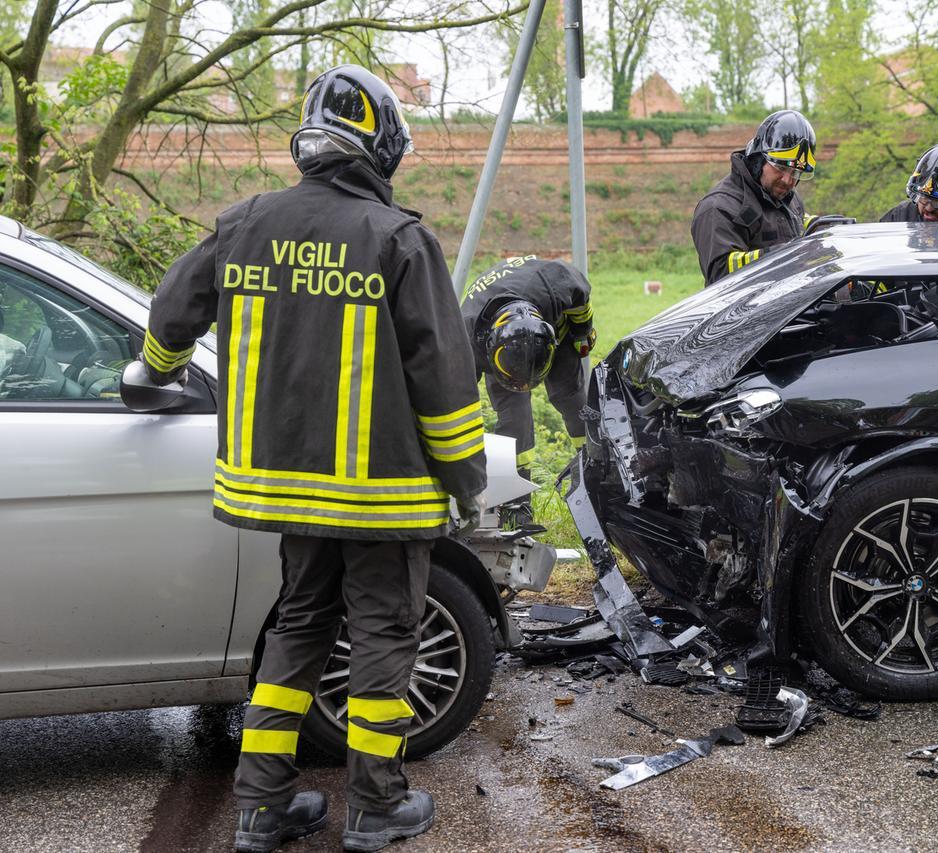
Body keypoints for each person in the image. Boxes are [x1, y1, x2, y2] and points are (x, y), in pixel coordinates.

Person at [135, 65, 486, 853]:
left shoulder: (244, 223)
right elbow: (444, 377)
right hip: (383, 499)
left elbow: (170, 312)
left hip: (285, 493)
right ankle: (374, 807)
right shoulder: (398, 239)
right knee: (383, 640)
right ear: (379, 145)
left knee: (297, 630)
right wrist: (468, 481)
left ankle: (261, 808)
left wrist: (156, 366)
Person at [461, 255, 594, 527]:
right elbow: (456, 397)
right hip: (501, 348)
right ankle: (515, 502)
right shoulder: (466, 337)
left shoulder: (556, 282)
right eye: (521, 381)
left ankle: (599, 471)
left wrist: (582, 332)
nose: (525, 387)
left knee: (571, 398)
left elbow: (581, 300)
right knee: (514, 419)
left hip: (550, 330)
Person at [691, 110, 816, 286]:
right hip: (749, 313)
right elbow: (721, 275)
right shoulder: (718, 208)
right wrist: (790, 255)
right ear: (758, 159)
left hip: (792, 308)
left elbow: (796, 221)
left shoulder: (786, 198)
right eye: (780, 167)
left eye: (796, 172)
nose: (788, 180)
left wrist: (822, 227)